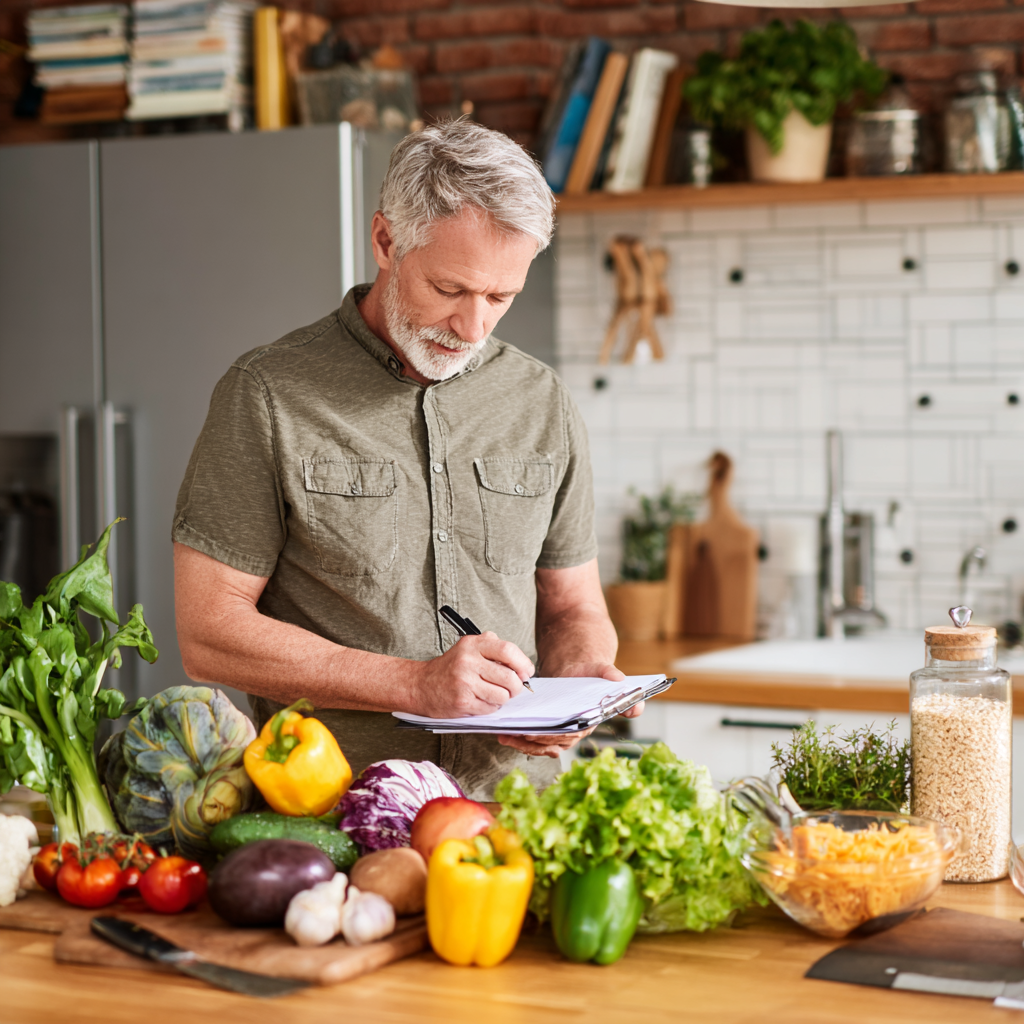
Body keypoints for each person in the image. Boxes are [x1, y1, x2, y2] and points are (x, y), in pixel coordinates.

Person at [172, 119, 641, 799]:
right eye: (450, 290)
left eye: (501, 297)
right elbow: (210, 635)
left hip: (514, 817)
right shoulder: (267, 394)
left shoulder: (541, 400)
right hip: (332, 822)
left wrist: (580, 685)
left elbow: (571, 607)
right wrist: (414, 683)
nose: (473, 327)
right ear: (386, 240)